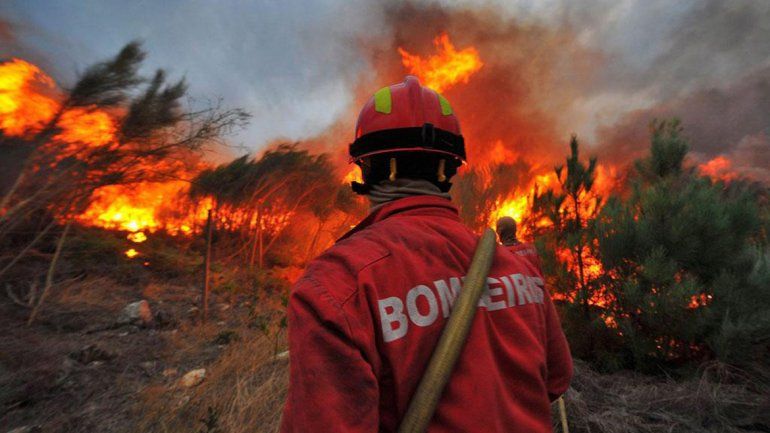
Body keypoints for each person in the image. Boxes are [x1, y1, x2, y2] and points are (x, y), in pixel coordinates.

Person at [280, 76, 572, 433]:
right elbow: (556, 381)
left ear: (365, 167)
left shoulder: (337, 285)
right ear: (450, 169)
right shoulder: (521, 269)